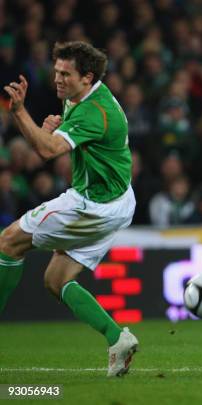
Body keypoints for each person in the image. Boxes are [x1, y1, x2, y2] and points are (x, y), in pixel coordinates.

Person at [1, 41, 138, 377]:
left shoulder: (96, 111)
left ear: (87, 77)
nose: (58, 78)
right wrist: (54, 130)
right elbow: (56, 142)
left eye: (66, 73)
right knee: (56, 279)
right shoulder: (80, 96)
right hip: (120, 202)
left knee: (7, 242)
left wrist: (19, 111)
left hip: (92, 205)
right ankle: (116, 338)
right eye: (57, 70)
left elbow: (47, 152)